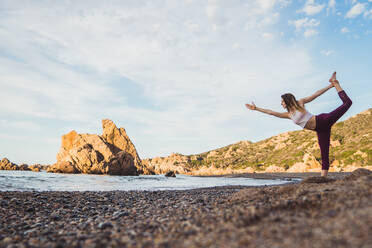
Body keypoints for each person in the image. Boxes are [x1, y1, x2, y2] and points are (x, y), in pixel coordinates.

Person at [245, 72, 352, 177]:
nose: (281, 103)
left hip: (323, 120)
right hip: (320, 130)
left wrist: (331, 86)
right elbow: (271, 112)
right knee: (324, 154)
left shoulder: (300, 103)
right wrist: (256, 108)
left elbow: (316, 94)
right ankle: (322, 179)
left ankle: (336, 84)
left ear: (287, 100)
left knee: (347, 103)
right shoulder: (288, 115)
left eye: (282, 101)